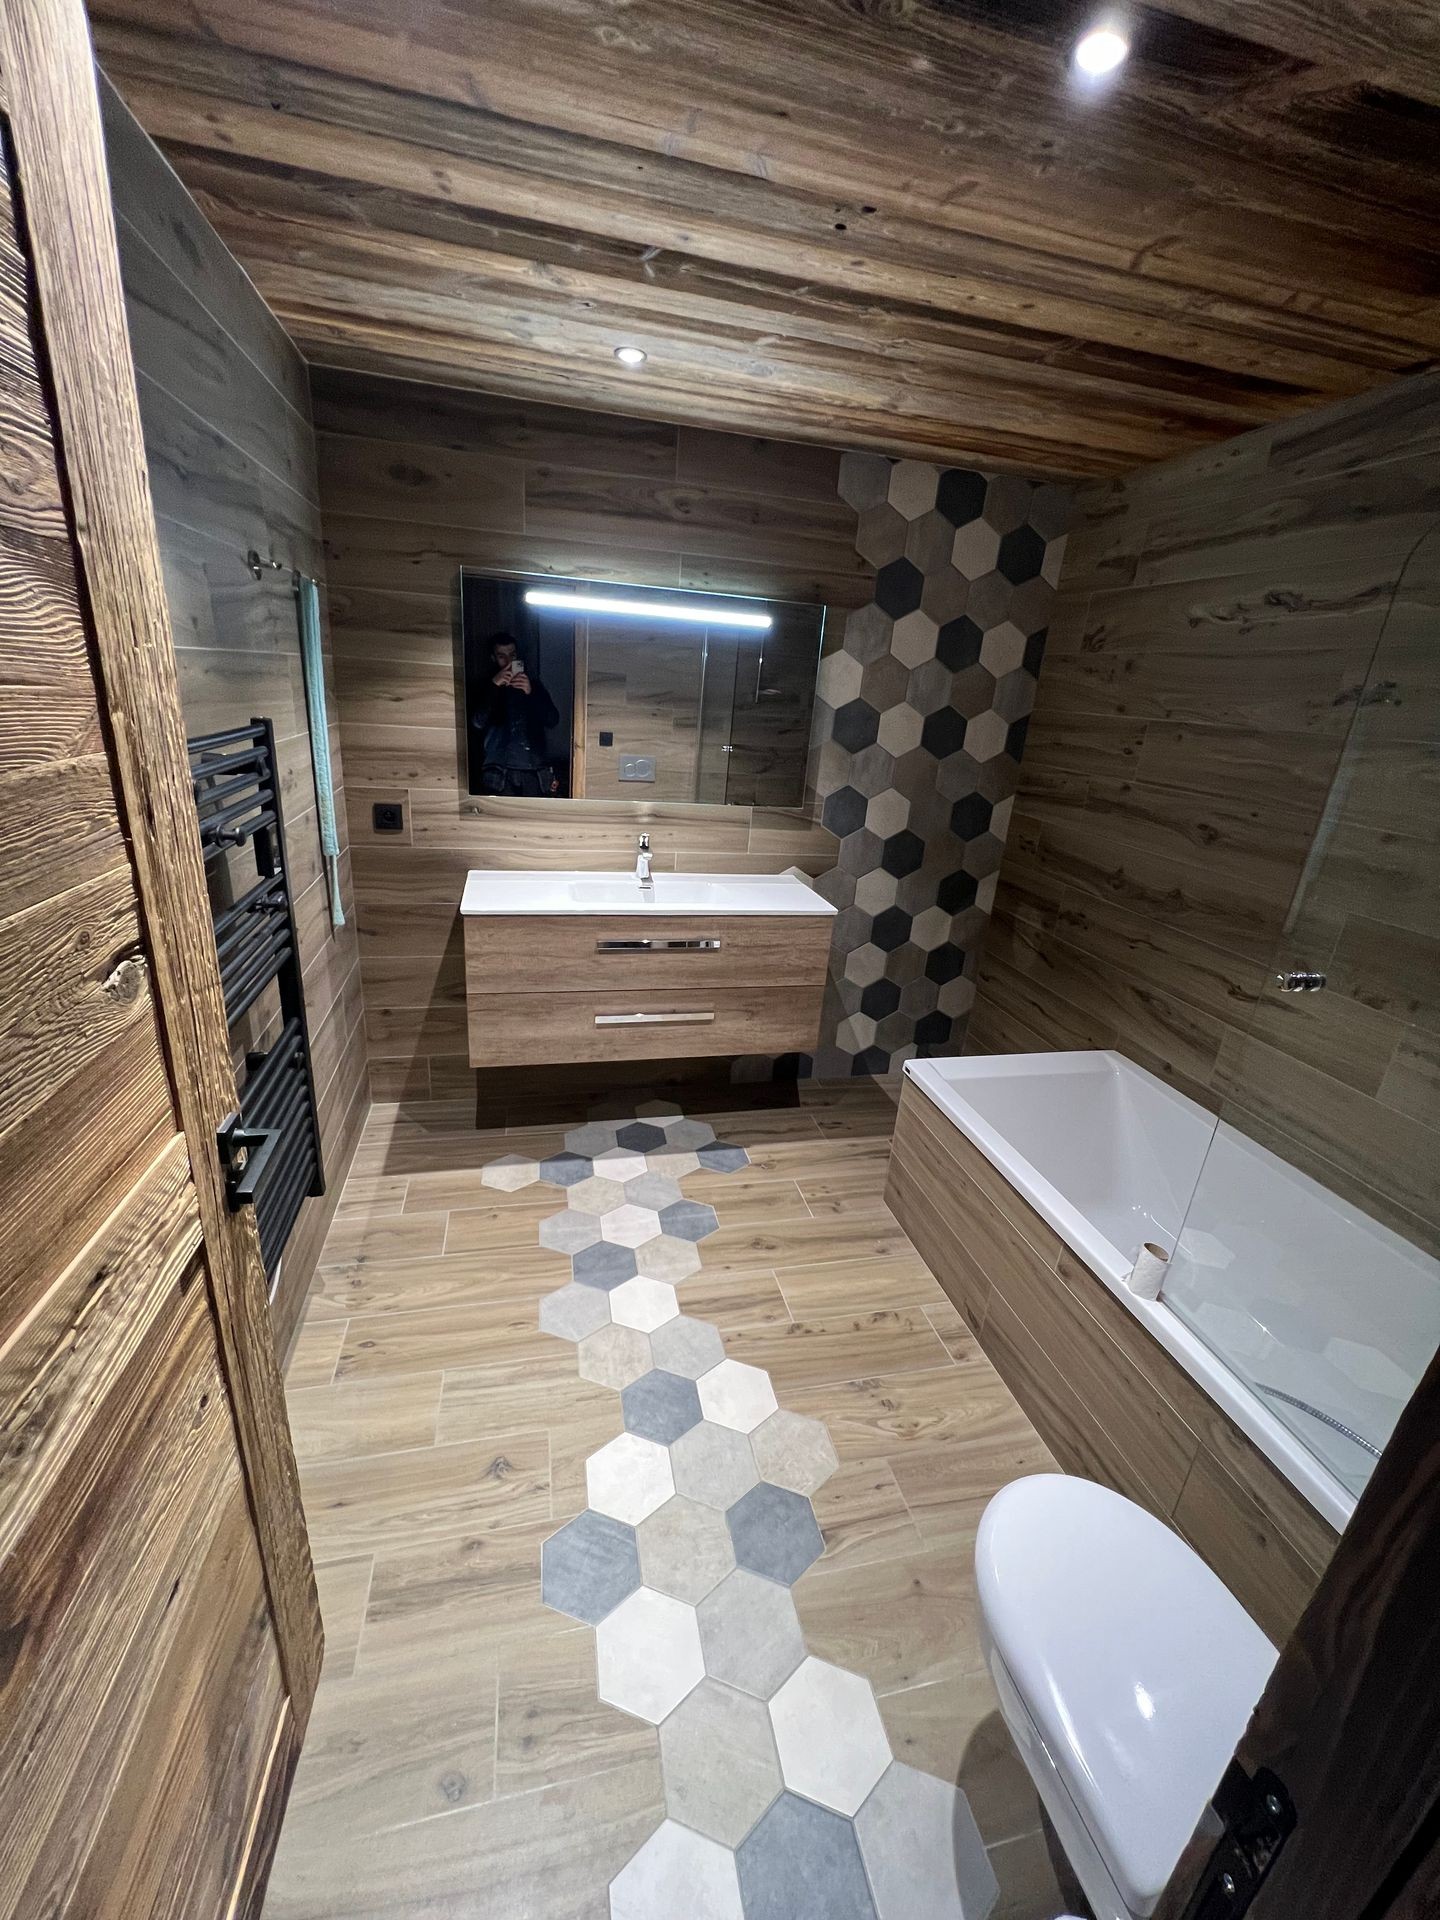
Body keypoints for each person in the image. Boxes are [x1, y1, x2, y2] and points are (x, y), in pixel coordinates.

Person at [472, 632, 560, 796]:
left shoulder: (533, 684)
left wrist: (531, 692)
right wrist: (494, 686)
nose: (508, 662)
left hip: (534, 769)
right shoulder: (485, 686)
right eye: (502, 656)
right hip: (499, 770)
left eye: (512, 656)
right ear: (493, 658)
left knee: (533, 820)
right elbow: (478, 721)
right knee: (500, 820)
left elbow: (552, 720)